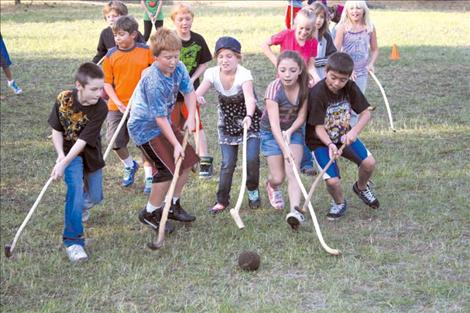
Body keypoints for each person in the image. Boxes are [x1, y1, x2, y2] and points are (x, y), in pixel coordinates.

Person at [128, 27, 199, 234]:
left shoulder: (179, 68)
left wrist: (192, 116)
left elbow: (189, 92)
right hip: (144, 128)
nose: (173, 61)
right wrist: (176, 144)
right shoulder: (153, 80)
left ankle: (173, 205)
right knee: (167, 171)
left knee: (187, 162)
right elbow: (159, 118)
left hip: (163, 123)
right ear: (156, 57)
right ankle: (150, 213)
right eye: (168, 57)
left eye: (176, 56)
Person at [306, 52, 380, 221]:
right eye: (333, 77)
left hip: (342, 136)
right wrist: (330, 145)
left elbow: (366, 113)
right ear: (326, 71)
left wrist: (354, 131)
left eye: (342, 79)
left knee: (369, 163)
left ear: (349, 77)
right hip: (320, 142)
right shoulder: (317, 93)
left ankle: (361, 188)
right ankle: (339, 202)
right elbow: (318, 128)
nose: (337, 83)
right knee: (332, 181)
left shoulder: (350, 87)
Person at [48, 62, 108, 262]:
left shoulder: (101, 108)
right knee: (74, 189)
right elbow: (56, 129)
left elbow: (82, 142)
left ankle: (77, 206)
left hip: (88, 151)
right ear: (79, 86)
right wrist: (60, 157)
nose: (99, 93)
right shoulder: (64, 99)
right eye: (94, 89)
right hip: (67, 153)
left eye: (101, 88)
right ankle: (73, 242)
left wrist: (63, 163)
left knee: (96, 196)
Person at [196, 36, 262, 213]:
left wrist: (249, 115)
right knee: (228, 163)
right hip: (227, 122)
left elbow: (250, 98)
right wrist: (198, 97)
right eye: (221, 56)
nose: (224, 60)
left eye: (229, 56)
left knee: (251, 159)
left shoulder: (244, 74)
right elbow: (198, 91)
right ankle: (222, 200)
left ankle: (253, 190)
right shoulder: (211, 73)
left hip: (250, 120)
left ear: (238, 58)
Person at [261, 6, 319, 175]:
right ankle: (279, 151)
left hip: (301, 85)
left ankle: (305, 161)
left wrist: (316, 79)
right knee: (283, 117)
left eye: (308, 29)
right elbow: (265, 44)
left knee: (302, 120)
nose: (304, 32)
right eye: (301, 28)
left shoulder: (312, 42)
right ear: (295, 24)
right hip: (284, 84)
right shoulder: (286, 35)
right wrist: (277, 62)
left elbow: (310, 66)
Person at [102, 16, 154, 192]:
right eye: (115, 34)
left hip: (141, 105)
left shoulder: (146, 51)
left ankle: (149, 177)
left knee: (144, 142)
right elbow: (107, 83)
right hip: (117, 106)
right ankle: (130, 165)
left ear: (133, 34)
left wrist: (150, 70)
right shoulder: (110, 55)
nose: (117, 38)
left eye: (121, 34)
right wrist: (118, 102)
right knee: (115, 141)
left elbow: (156, 73)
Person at [260, 51, 308, 230]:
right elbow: (273, 124)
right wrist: (284, 148)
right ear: (278, 71)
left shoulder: (304, 88)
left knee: (293, 171)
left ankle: (295, 212)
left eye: (292, 70)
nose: (287, 74)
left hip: (293, 131)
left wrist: (290, 132)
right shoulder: (274, 89)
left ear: (300, 71)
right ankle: (271, 186)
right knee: (278, 177)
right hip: (270, 133)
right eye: (283, 70)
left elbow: (301, 117)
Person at [170, 3, 214, 178]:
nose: (184, 22)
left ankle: (204, 161)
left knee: (196, 126)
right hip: (171, 93)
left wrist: (193, 79)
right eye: (180, 19)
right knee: (174, 127)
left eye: (188, 18)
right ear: (174, 21)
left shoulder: (198, 39)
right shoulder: (170, 40)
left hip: (190, 92)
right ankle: (178, 158)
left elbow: (204, 63)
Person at [334, 0, 378, 94]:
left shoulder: (369, 27)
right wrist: (347, 68)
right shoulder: (342, 28)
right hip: (345, 71)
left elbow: (375, 50)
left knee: (358, 99)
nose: (355, 11)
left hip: (362, 71)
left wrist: (371, 64)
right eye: (352, 8)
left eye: (358, 8)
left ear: (364, 10)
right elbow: (336, 52)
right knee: (344, 100)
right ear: (347, 11)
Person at [309, 2, 337, 79]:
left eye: (321, 17)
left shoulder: (326, 36)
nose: (318, 20)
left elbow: (333, 56)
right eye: (316, 16)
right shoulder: (303, 35)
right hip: (304, 77)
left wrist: (317, 62)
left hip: (320, 76)